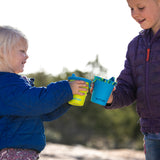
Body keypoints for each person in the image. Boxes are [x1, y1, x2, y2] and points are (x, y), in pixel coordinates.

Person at [0, 26, 88, 160]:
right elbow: (35, 102)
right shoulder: (5, 84)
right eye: (22, 51)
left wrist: (67, 98)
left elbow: (42, 111)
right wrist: (66, 89)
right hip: (14, 153)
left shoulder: (13, 83)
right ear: (2, 52)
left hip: (20, 152)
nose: (27, 56)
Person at [92, 0, 160, 160]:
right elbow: (127, 88)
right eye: (131, 8)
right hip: (151, 133)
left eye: (140, 7)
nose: (135, 13)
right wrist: (111, 97)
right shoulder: (136, 46)